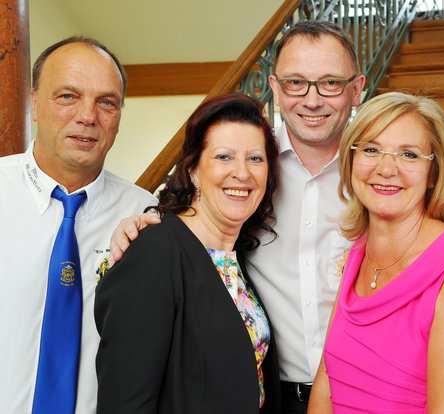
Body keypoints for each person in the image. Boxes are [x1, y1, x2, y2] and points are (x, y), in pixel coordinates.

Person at [108, 20, 366, 413]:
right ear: (276, 88)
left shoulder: (377, 174)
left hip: (361, 392)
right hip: (276, 394)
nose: (312, 100)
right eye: (296, 83)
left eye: (329, 83)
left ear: (356, 89)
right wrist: (139, 224)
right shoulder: (250, 168)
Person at [308, 92, 444, 413]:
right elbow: (326, 386)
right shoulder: (359, 252)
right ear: (351, 160)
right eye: (370, 149)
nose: (386, 168)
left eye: (408, 155)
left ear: (433, 172)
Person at [94, 94, 281, 413]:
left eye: (255, 159)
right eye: (224, 157)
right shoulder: (153, 253)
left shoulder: (235, 259)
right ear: (193, 169)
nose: (242, 173)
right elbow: (125, 402)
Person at [0, 37, 157, 414]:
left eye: (106, 102)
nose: (88, 116)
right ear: (34, 103)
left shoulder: (146, 216)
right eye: (68, 96)